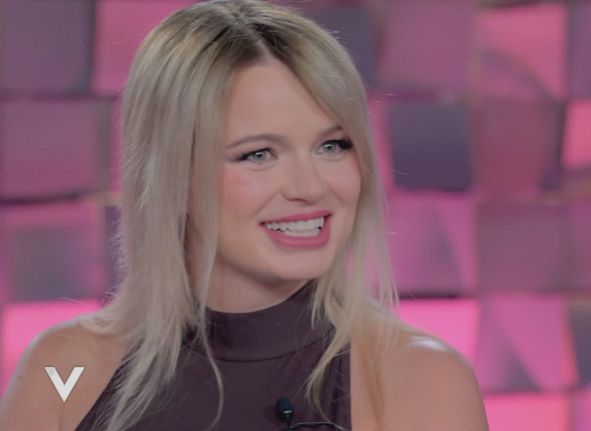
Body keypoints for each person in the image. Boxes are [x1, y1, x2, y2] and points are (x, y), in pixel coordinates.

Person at [0, 1, 489, 430]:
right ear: (175, 175)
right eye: (259, 154)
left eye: (332, 146)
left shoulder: (421, 383)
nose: (310, 187)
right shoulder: (63, 374)